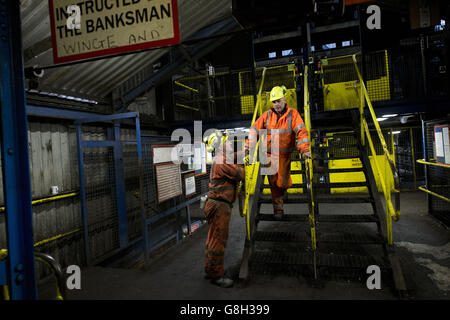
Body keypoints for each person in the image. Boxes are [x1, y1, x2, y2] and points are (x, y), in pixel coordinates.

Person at [246, 85, 311, 220]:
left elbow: (301, 132)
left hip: (284, 157)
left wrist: (304, 150)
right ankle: (278, 209)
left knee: (283, 183)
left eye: (278, 101)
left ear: (285, 100)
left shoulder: (293, 114)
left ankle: (282, 193)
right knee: (274, 185)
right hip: (270, 157)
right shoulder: (267, 115)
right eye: (274, 102)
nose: (276, 104)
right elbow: (254, 130)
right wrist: (248, 146)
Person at [203, 131, 245, 288]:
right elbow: (240, 173)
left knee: (212, 238)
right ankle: (216, 275)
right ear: (221, 145)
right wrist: (243, 162)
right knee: (219, 239)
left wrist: (246, 151)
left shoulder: (220, 158)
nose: (229, 144)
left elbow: (233, 156)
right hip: (220, 206)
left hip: (215, 204)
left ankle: (209, 269)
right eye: (227, 142)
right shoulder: (221, 161)